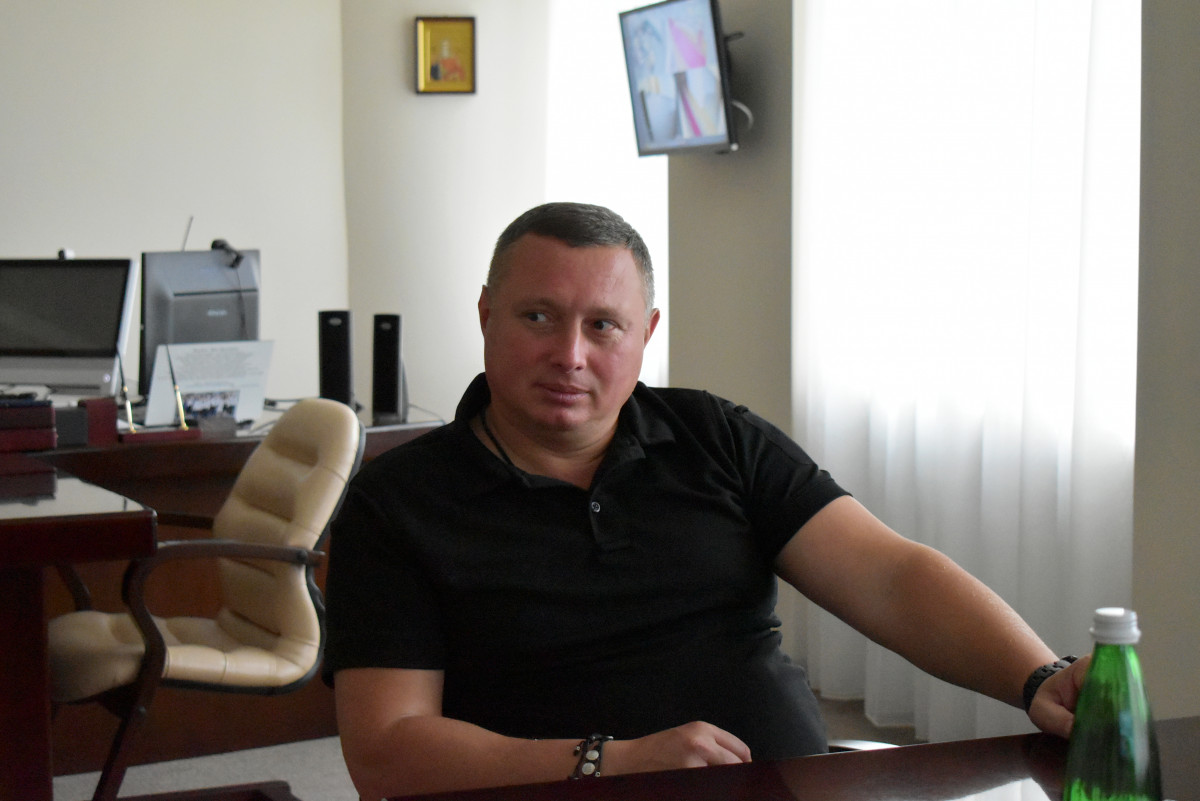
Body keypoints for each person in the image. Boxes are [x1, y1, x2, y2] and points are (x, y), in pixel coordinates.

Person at [323, 202, 1088, 800]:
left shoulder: (714, 435)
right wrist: (609, 761)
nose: (570, 355)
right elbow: (387, 747)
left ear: (646, 332)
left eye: (603, 325)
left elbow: (888, 576)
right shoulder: (397, 503)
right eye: (538, 317)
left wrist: (1036, 676)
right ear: (487, 313)